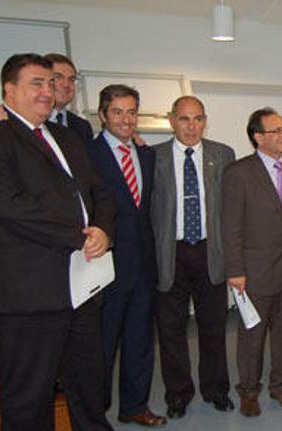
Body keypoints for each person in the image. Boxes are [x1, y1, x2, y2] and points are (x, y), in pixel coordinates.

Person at [0, 53, 115, 430]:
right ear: (8, 90)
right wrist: (78, 236)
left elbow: (100, 193)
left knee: (89, 387)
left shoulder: (67, 137)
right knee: (29, 397)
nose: (48, 91)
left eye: (52, 83)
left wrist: (104, 230)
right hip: (25, 294)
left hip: (80, 287)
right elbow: (10, 206)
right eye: (36, 83)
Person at [151, 96, 235, 418]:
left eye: (198, 119)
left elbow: (230, 209)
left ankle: (216, 389)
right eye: (184, 119)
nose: (191, 126)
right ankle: (178, 393)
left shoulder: (222, 154)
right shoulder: (153, 156)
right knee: (171, 329)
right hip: (169, 252)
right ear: (172, 120)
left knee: (213, 325)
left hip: (209, 250)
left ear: (205, 121)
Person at [87, 84, 165, 425]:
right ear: (103, 115)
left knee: (139, 342)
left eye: (131, 112)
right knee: (100, 347)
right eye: (117, 112)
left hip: (143, 266)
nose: (125, 119)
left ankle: (135, 407)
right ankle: (95, 411)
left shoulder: (146, 155)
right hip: (104, 265)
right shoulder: (86, 155)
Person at [223, 107, 282, 417]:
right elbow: (230, 225)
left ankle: (281, 385)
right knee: (252, 334)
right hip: (253, 271)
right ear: (258, 138)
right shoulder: (238, 172)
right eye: (277, 131)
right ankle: (248, 390)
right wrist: (235, 270)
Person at [0, 53, 93, 143]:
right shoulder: (0, 117)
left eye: (71, 79)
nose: (66, 84)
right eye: (57, 77)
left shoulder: (82, 127)